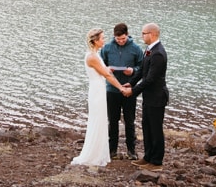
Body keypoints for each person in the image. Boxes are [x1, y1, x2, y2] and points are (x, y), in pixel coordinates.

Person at [71, 28, 130, 167]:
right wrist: (121, 88)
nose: (104, 40)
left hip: (99, 89)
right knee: (97, 120)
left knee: (101, 120)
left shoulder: (95, 54)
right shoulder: (92, 57)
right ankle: (93, 155)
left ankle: (99, 152)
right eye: (102, 38)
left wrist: (108, 68)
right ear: (96, 41)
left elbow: (103, 71)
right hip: (97, 91)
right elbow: (107, 75)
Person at [126, 22, 168, 170]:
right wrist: (130, 83)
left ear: (152, 34)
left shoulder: (158, 53)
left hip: (157, 97)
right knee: (146, 127)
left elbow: (150, 79)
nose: (142, 36)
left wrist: (133, 92)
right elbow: (142, 71)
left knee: (156, 129)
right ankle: (148, 157)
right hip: (148, 97)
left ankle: (156, 162)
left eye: (144, 33)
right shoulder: (149, 50)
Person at [99, 23, 142, 159]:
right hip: (111, 90)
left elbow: (142, 67)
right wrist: (108, 69)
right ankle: (112, 151)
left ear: (127, 35)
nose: (121, 41)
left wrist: (132, 70)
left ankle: (131, 151)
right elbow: (101, 65)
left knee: (129, 121)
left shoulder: (136, 48)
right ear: (114, 36)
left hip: (129, 89)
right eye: (118, 39)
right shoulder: (107, 48)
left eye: (123, 39)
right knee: (113, 121)